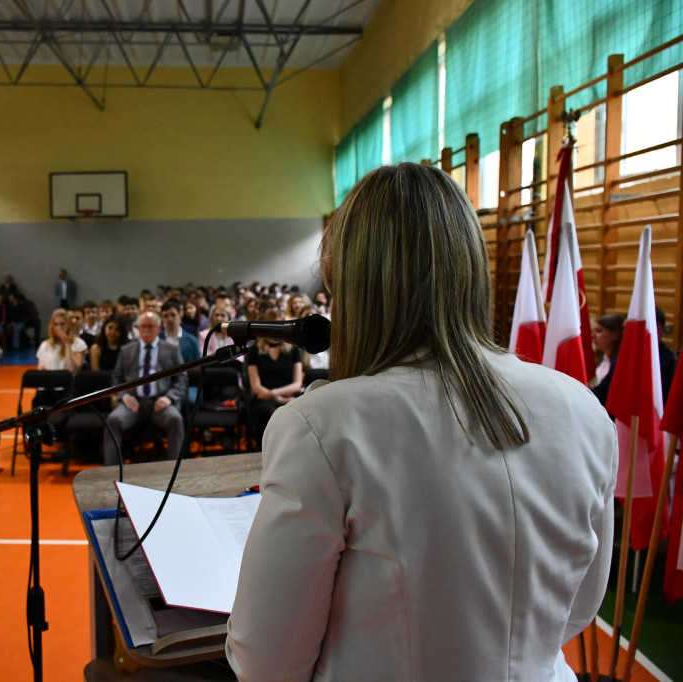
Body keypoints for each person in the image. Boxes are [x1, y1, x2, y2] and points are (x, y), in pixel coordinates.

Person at [226, 163, 617, 681]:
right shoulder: (583, 407)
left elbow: (266, 662)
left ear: (353, 287)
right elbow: (578, 608)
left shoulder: (323, 424)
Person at [103, 311, 187, 466]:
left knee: (175, 419)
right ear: (138, 328)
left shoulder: (171, 349)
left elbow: (182, 379)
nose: (146, 330)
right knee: (113, 420)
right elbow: (116, 379)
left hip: (159, 402)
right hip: (132, 402)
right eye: (142, 327)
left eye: (150, 326)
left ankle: (175, 469)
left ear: (159, 328)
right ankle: (111, 470)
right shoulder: (126, 350)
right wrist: (125, 396)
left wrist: (168, 397)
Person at [244, 307, 303, 444]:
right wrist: (277, 399)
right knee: (270, 413)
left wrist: (275, 395)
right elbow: (256, 386)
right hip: (263, 398)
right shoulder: (254, 350)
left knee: (295, 412)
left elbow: (297, 383)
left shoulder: (293, 349)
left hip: (287, 395)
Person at [36, 309, 87, 373]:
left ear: (68, 325)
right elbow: (41, 370)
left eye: (62, 324)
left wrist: (67, 344)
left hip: (70, 381)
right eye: (55, 324)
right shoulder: (45, 345)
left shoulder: (79, 344)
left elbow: (73, 369)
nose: (59, 328)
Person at [591, 313, 624, 408]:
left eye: (599, 331)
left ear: (615, 335)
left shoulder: (619, 364)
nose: (593, 336)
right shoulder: (600, 358)